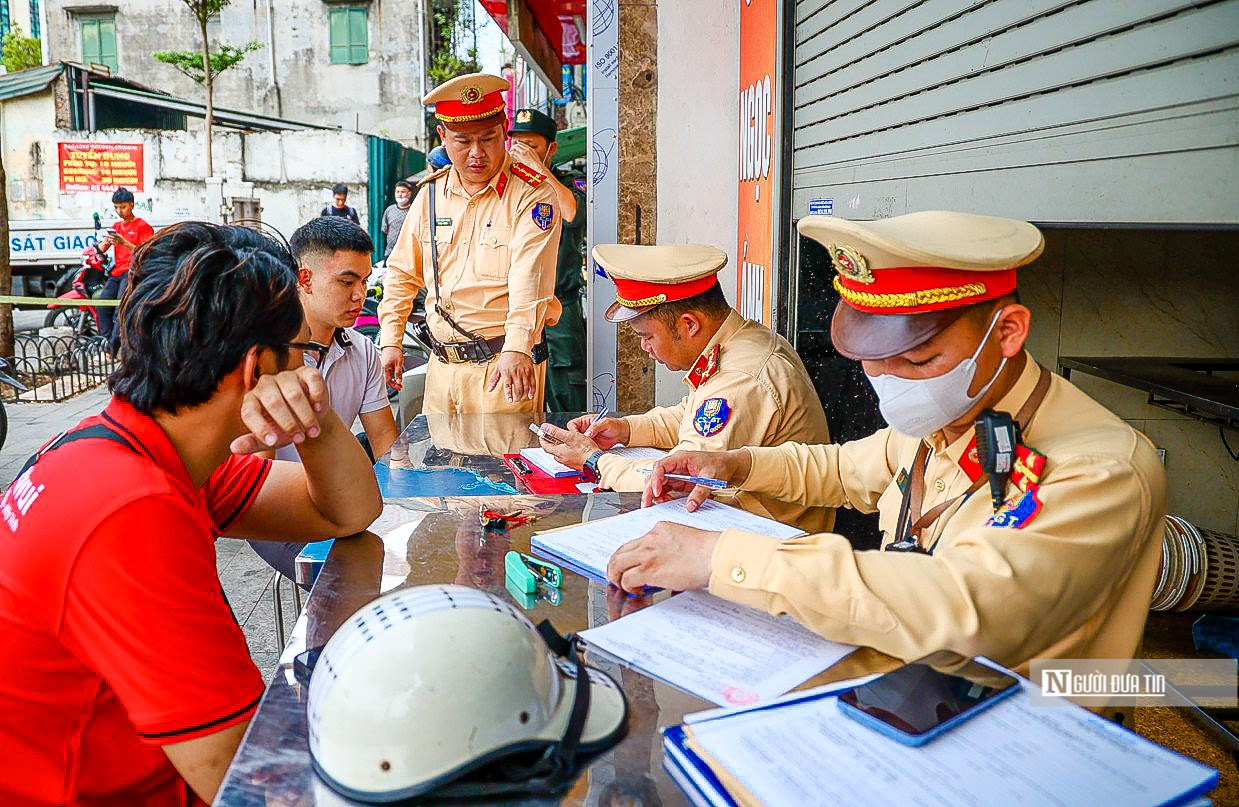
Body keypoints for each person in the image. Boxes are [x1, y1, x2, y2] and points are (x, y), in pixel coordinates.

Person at [610, 211, 1167, 675]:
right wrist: (734, 463)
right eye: (875, 366)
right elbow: (844, 469)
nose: (896, 385)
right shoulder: (946, 418)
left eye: (919, 360)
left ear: (1007, 331)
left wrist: (720, 557)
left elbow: (964, 605)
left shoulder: (1098, 469)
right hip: (904, 695)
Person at [0, 221, 382, 805]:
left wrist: (316, 418)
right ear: (258, 370)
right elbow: (252, 782)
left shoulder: (141, 448)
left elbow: (348, 513)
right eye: (301, 353)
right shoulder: (129, 512)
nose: (308, 368)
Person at [537, 243, 834, 533]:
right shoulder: (738, 342)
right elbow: (692, 416)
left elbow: (676, 478)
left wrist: (595, 460)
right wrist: (625, 429)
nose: (644, 348)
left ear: (689, 324)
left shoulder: (740, 377)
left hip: (770, 546)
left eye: (648, 336)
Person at [378, 73, 562, 414]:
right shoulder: (430, 195)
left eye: (489, 139)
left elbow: (530, 280)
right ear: (442, 137)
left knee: (499, 467)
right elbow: (402, 272)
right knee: (442, 465)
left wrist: (518, 348)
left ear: (505, 130)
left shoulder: (533, 195)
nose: (477, 153)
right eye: (463, 141)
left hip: (504, 368)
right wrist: (391, 337)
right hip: (442, 368)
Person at [247, 216, 399, 583]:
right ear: (304, 279)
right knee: (345, 576)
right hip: (271, 500)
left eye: (363, 282)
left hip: (337, 490)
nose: (359, 295)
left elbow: (385, 444)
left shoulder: (363, 351)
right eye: (346, 282)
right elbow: (257, 475)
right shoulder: (267, 353)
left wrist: (403, 511)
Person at [507, 108, 588, 412]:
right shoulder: (506, 187)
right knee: (519, 396)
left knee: (567, 392)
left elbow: (572, 213)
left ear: (551, 149)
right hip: (515, 309)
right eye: (517, 145)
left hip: (560, 307)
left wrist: (535, 169)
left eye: (532, 146)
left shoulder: (567, 181)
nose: (522, 153)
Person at [96, 186, 155, 347]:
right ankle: (109, 342)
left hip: (133, 272)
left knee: (119, 309)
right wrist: (105, 242)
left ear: (132, 205)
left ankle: (113, 349)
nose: (119, 210)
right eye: (116, 207)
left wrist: (125, 243)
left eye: (123, 206)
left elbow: (147, 252)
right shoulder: (116, 226)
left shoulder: (143, 226)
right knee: (102, 306)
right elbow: (101, 249)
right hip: (116, 273)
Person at [381, 180, 414, 262]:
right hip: (391, 252)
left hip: (409, 253)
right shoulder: (389, 210)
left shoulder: (414, 210)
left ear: (409, 193)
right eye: (397, 192)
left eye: (403, 192)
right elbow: (385, 230)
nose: (400, 194)